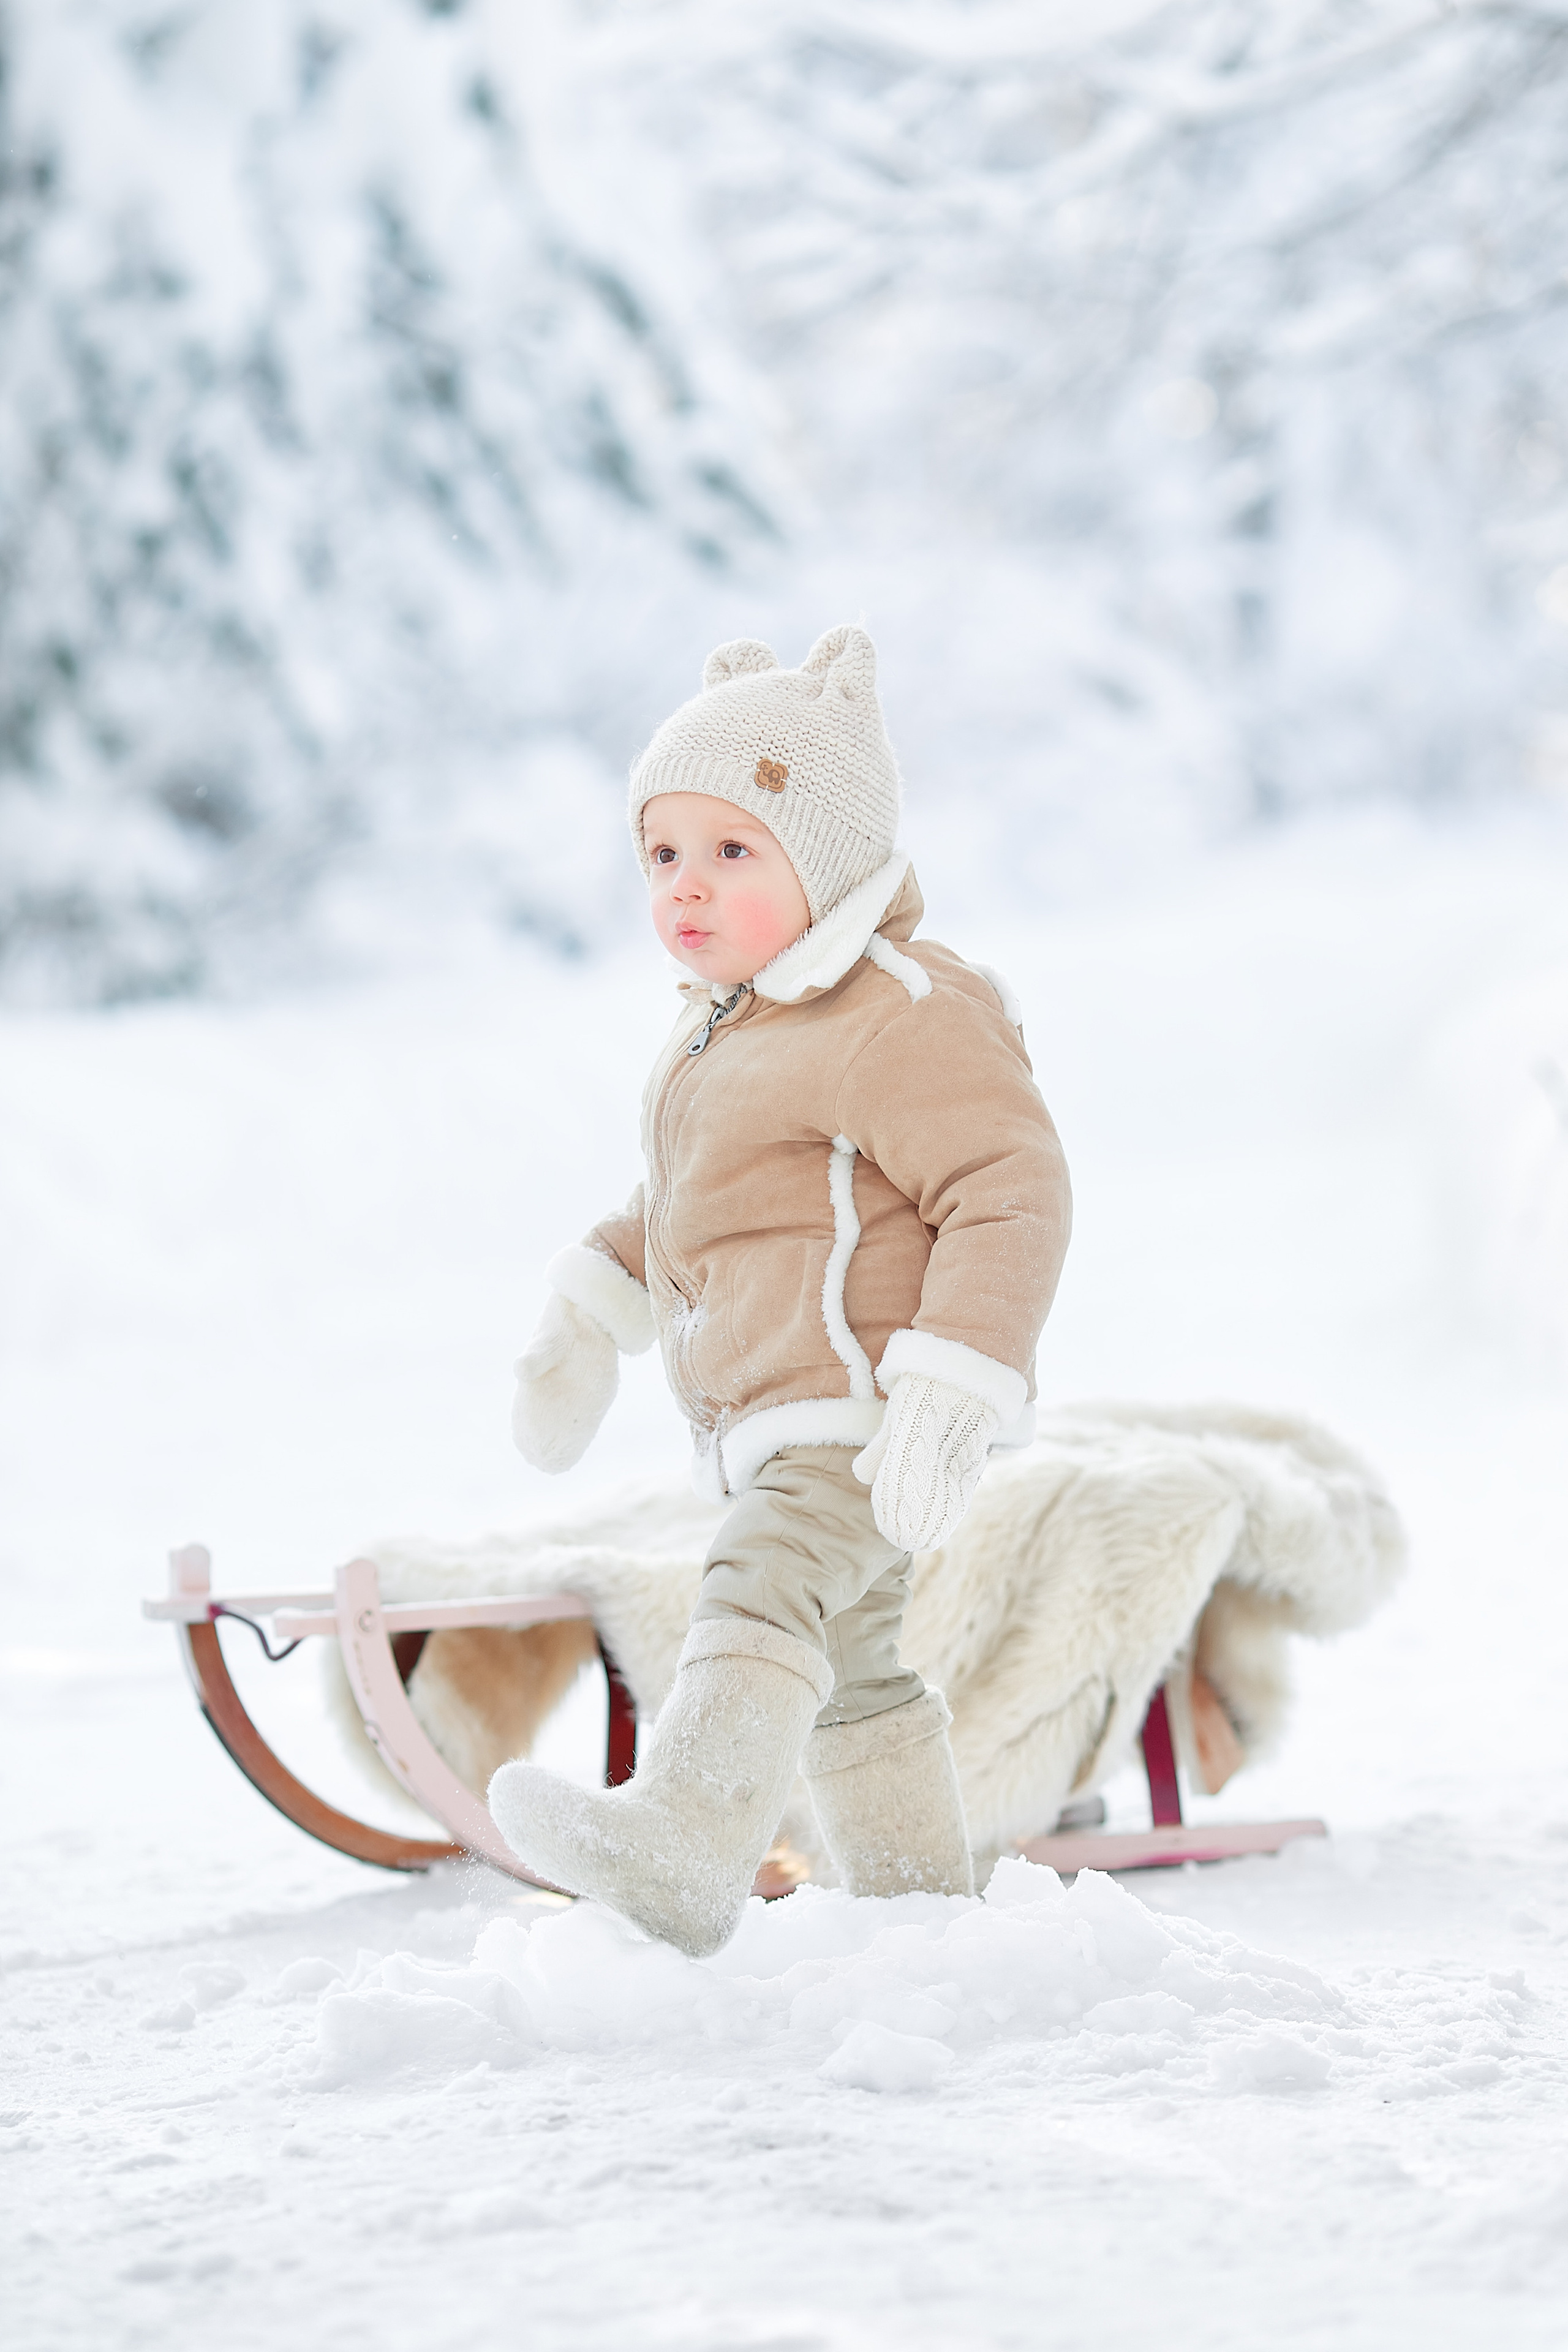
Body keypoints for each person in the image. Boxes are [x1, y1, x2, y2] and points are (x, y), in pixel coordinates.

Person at [488, 625, 1071, 1954]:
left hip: (864, 1410)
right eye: (662, 854)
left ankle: (687, 1844)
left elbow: (1009, 1187)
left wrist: (951, 1386)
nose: (686, 889)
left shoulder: (900, 1009)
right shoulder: (739, 1026)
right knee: (857, 1675)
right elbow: (699, 1205)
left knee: (755, 1584)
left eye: (732, 851)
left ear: (829, 852)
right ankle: (926, 1913)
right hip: (784, 1416)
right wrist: (593, 1306)